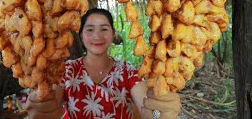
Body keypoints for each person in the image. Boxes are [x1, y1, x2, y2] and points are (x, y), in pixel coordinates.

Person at [26, 8, 181, 119]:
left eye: (104, 29)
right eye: (90, 30)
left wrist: (158, 113)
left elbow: (146, 106)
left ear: (113, 34)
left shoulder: (127, 71)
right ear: (81, 36)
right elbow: (50, 104)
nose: (97, 36)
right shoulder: (66, 70)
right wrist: (42, 109)